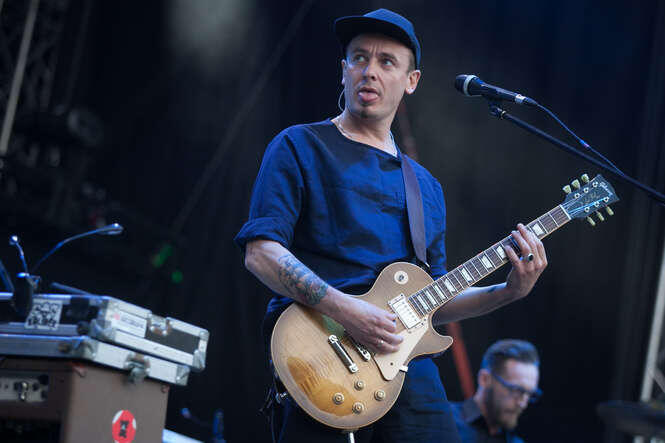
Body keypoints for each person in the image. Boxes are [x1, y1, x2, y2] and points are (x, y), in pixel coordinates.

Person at [234, 8, 547, 443]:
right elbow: (261, 253)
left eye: (386, 62)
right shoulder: (299, 145)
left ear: (411, 80)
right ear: (343, 70)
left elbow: (434, 299)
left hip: (406, 366)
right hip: (322, 351)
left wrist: (509, 291)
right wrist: (348, 311)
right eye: (359, 58)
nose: (370, 71)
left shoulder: (425, 187)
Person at [451, 340, 541, 442]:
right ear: (485, 379)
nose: (522, 404)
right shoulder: (443, 418)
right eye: (516, 390)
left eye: (530, 394)